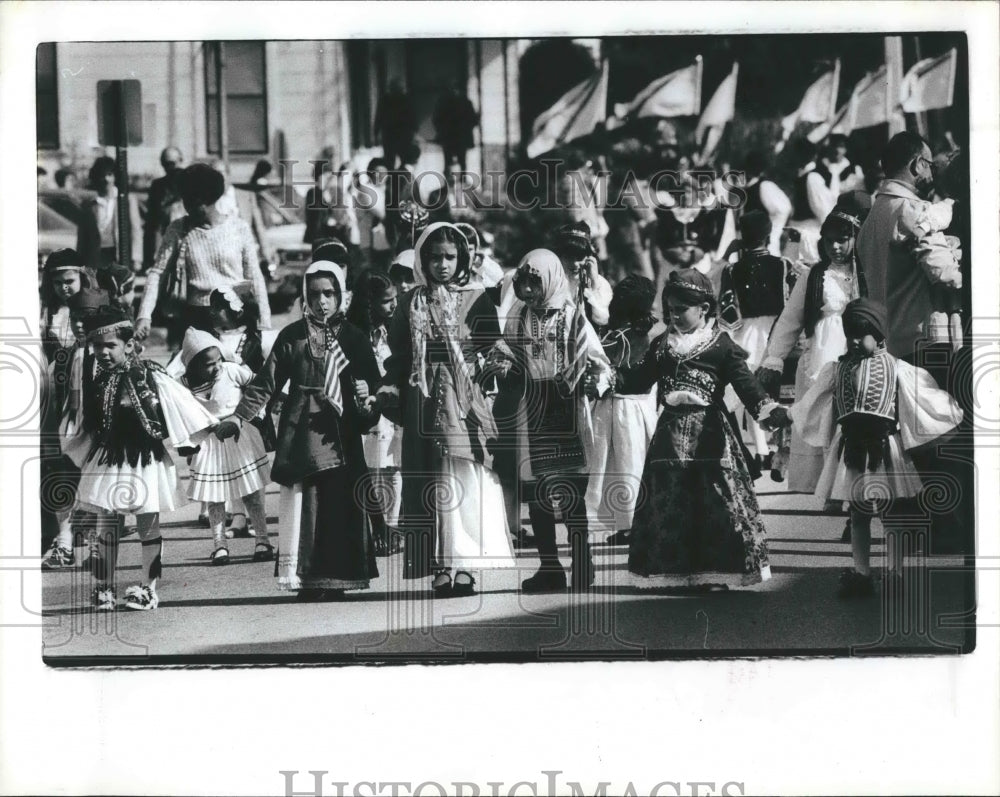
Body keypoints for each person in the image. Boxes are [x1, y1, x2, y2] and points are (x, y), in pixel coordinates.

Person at [215, 261, 380, 600]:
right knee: (307, 504)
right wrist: (239, 417)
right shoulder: (292, 336)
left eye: (329, 293)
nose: (322, 302)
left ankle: (337, 579)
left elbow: (373, 385)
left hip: (342, 433)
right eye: (315, 294)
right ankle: (306, 579)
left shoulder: (354, 337)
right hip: (303, 433)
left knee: (338, 504)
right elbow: (267, 382)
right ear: (305, 296)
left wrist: (369, 395)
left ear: (341, 295)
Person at [622, 270, 789, 591]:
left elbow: (746, 384)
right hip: (669, 437)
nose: (674, 315)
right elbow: (638, 380)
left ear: (704, 309)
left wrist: (769, 410)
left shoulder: (721, 346)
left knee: (715, 502)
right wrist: (607, 374)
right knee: (672, 503)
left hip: (711, 437)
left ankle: (717, 574)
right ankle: (679, 573)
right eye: (670, 309)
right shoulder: (662, 346)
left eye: (681, 309)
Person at [791, 299, 963, 597]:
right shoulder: (837, 369)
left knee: (892, 515)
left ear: (879, 333)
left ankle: (895, 573)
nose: (855, 341)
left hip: (886, 448)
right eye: (851, 335)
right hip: (851, 450)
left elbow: (921, 401)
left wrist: (947, 412)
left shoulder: (898, 369)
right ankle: (861, 573)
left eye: (862, 335)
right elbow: (813, 402)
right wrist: (787, 414)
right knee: (858, 514)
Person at [378, 222, 514, 597]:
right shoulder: (409, 302)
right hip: (422, 402)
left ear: (462, 258)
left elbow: (494, 345)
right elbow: (399, 357)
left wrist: (495, 366)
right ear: (423, 260)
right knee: (428, 480)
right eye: (435, 257)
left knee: (463, 478)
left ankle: (466, 565)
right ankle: (439, 565)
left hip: (464, 403)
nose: (442, 264)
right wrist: (388, 388)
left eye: (450, 257)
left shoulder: (476, 298)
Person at [61, 305, 217, 611]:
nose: (103, 352)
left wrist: (198, 433)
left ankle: (148, 588)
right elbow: (89, 422)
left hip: (145, 459)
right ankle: (104, 587)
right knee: (108, 524)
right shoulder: (99, 378)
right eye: (97, 346)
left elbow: (181, 405)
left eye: (110, 345)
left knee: (148, 524)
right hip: (109, 459)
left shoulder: (149, 374)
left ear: (129, 345)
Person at [487, 249, 613, 592]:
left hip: (567, 408)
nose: (528, 290)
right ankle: (550, 566)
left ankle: (582, 561)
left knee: (570, 491)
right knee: (537, 492)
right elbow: (506, 353)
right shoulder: (518, 316)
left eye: (535, 282)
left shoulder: (573, 317)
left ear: (553, 280)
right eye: (523, 283)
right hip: (531, 410)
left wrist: (596, 381)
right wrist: (504, 367)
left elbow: (599, 361)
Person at [757, 195, 870, 494]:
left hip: (858, 351)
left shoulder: (867, 272)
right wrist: (774, 358)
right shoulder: (814, 275)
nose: (835, 247)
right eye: (830, 241)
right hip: (821, 352)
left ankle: (852, 485)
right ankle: (824, 485)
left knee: (854, 417)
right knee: (821, 414)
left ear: (855, 238)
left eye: (842, 240)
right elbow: (790, 320)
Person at [135, 163, 271, 346]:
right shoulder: (178, 229)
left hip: (236, 318)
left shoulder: (239, 228)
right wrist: (144, 315)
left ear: (208, 201)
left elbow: (254, 276)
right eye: (185, 201)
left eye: (192, 202)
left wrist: (264, 321)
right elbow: (157, 273)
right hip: (196, 320)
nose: (187, 208)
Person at [176, 328, 273, 565]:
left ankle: (262, 541)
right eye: (209, 364)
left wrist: (253, 415)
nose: (217, 366)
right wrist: (190, 444)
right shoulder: (183, 385)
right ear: (193, 366)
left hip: (239, 435)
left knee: (251, 492)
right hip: (209, 443)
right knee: (214, 497)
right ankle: (220, 546)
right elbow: (180, 414)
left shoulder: (231, 371)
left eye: (218, 360)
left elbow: (259, 387)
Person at [584, 275, 659, 547]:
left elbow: (606, 361)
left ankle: (632, 523)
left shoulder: (625, 337)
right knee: (629, 463)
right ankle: (629, 522)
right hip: (636, 407)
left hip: (623, 407)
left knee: (624, 464)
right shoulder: (639, 333)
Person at [40, 287, 109, 568]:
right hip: (70, 428)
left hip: (99, 429)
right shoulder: (67, 354)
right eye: (76, 317)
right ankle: (64, 544)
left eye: (87, 316)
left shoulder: (106, 353)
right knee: (63, 483)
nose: (80, 323)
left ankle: (96, 549)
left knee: (97, 488)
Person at [719, 210, 791, 468]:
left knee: (748, 390)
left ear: (742, 237)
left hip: (747, 332)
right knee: (777, 389)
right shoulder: (783, 265)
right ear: (769, 235)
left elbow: (727, 309)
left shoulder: (733, 269)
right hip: (778, 329)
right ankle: (780, 447)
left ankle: (761, 450)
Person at [346, 269, 404, 556]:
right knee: (373, 470)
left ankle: (391, 528)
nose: (393, 305)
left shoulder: (396, 329)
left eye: (395, 299)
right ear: (369, 303)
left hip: (392, 404)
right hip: (368, 407)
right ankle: (376, 528)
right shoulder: (354, 334)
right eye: (386, 301)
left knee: (394, 467)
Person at [551, 222, 613, 328]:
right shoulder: (551, 281)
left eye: (580, 257)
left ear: (589, 257)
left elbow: (602, 319)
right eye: (569, 257)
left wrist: (594, 282)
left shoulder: (599, 283)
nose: (575, 264)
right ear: (559, 256)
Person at [741, 150, 792, 257]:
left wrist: (772, 232)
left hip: (767, 247)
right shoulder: (747, 189)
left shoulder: (765, 186)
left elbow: (784, 209)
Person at [143, 146, 186, 271]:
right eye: (166, 164)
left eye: (172, 163)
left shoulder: (189, 180)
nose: (170, 168)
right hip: (166, 239)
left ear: (181, 160)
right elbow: (152, 223)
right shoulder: (158, 186)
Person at [76, 157, 120, 271]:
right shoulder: (89, 204)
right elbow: (82, 237)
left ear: (115, 176)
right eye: (102, 175)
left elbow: (136, 231)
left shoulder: (124, 200)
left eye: (110, 175)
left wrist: (136, 259)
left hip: (119, 255)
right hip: (96, 258)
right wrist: (79, 262)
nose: (106, 179)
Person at [433, 82, 479, 177]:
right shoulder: (466, 103)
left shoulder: (443, 103)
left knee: (448, 160)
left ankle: (448, 179)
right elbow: (473, 120)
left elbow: (436, 119)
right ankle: (462, 179)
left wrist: (441, 130)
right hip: (461, 136)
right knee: (462, 161)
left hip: (448, 136)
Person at [356, 158, 394, 273]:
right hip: (370, 242)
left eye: (384, 173)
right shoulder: (366, 190)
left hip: (384, 241)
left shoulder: (384, 190)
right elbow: (381, 213)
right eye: (378, 172)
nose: (382, 176)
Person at [374, 79, 417, 170]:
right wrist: (414, 131)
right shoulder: (405, 100)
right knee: (404, 159)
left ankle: (393, 176)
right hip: (402, 134)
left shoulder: (385, 100)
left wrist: (376, 132)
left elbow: (379, 117)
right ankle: (402, 175)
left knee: (390, 160)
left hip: (390, 134)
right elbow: (412, 117)